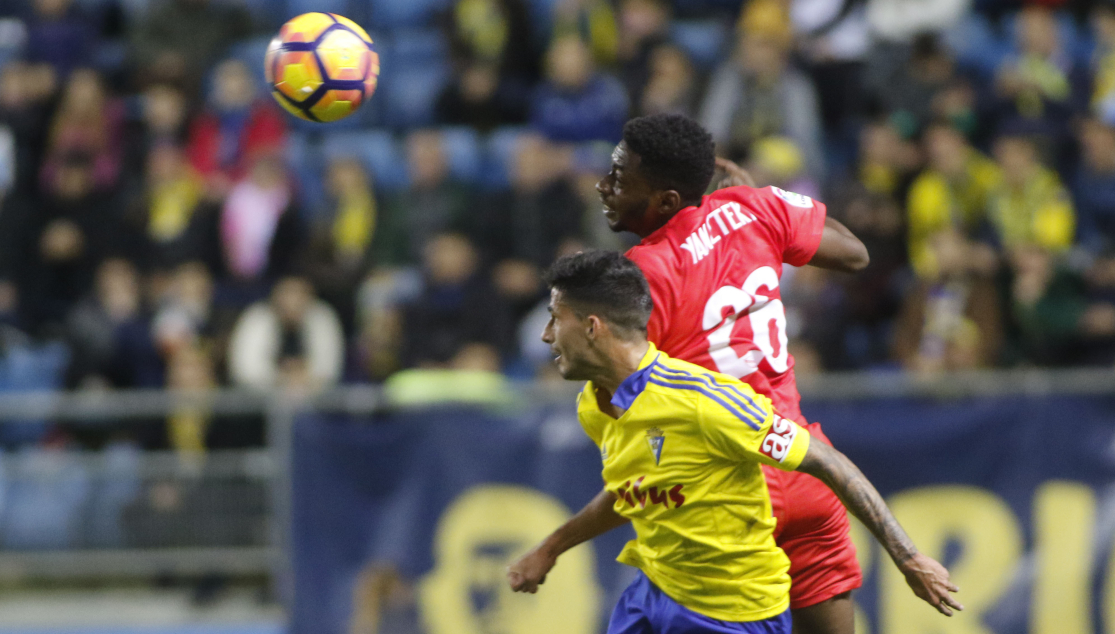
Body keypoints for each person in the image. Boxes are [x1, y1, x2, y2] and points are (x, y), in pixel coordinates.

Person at [507, 251, 961, 633]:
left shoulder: (704, 401)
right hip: (653, 595)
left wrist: (909, 558)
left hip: (733, 613)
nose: (546, 335)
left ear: (592, 327)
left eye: (554, 318)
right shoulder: (594, 404)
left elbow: (827, 462)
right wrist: (551, 548)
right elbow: (634, 489)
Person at [590, 114, 870, 633]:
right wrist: (760, 197)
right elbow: (854, 253)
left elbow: (615, 397)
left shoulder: (641, 275)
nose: (604, 186)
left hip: (725, 493)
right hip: (803, 468)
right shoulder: (752, 207)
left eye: (620, 177)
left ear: (667, 200)